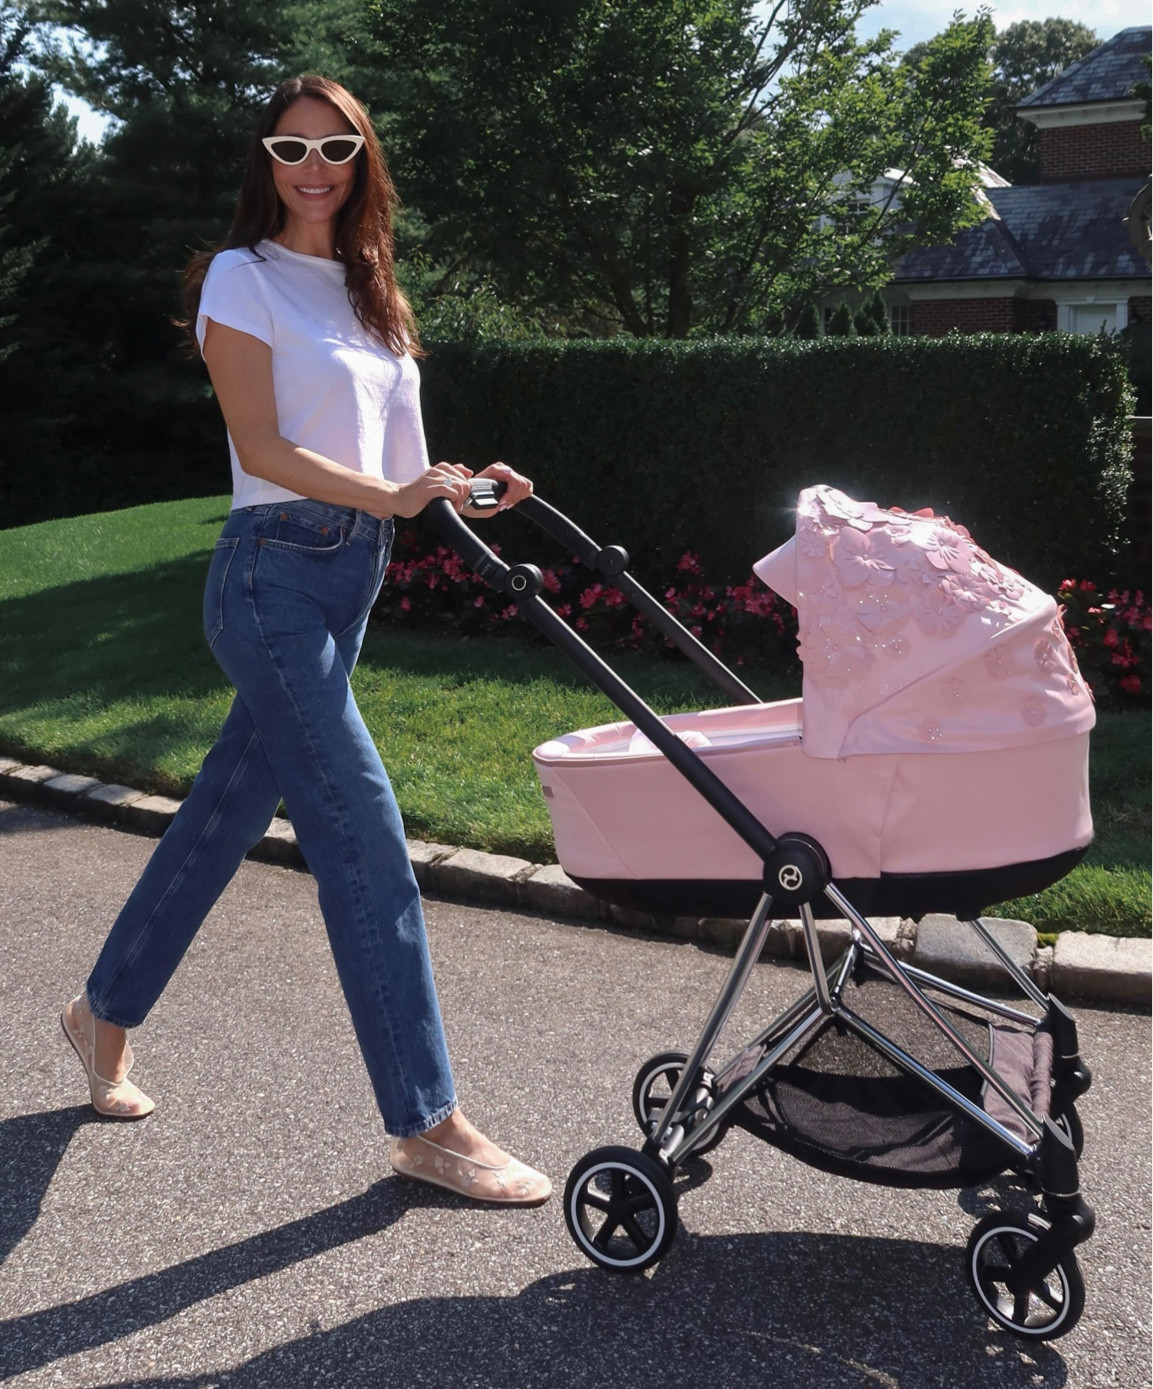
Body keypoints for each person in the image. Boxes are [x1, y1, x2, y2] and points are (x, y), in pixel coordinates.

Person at [60, 74, 551, 1208]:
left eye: (335, 146)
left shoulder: (377, 294)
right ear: (266, 163)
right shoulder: (243, 276)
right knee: (361, 825)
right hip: (270, 573)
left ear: (363, 157)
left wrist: (472, 489)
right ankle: (426, 1121)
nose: (313, 165)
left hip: (350, 582)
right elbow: (265, 447)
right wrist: (388, 495)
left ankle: (101, 1016)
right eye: (290, 147)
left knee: (227, 808)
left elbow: (404, 469)